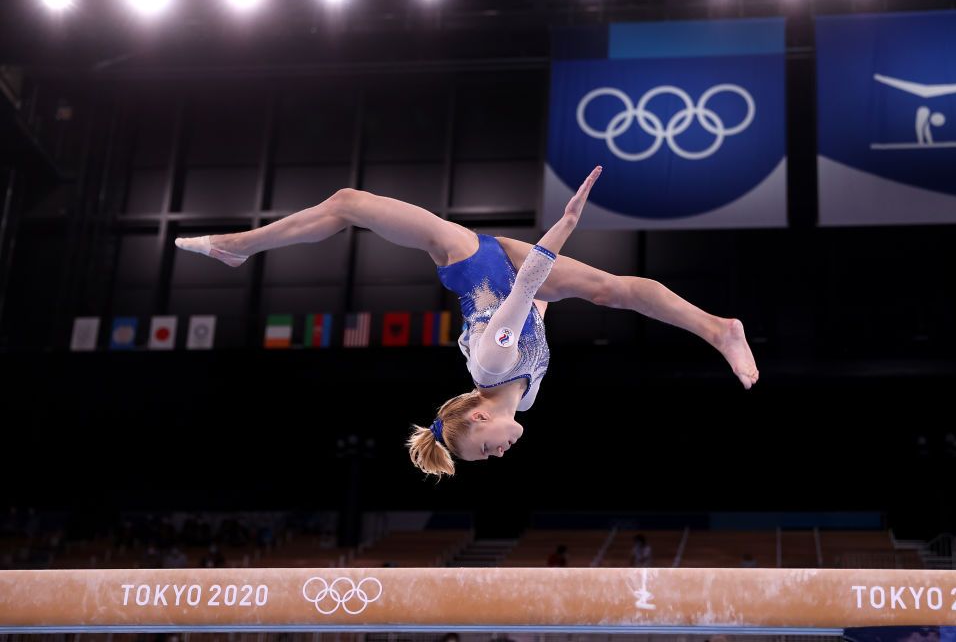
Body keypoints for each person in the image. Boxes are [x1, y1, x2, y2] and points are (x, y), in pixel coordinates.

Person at [175, 166, 759, 477]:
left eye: (483, 451)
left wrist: (567, 223)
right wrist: (550, 299)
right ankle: (719, 329)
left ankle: (240, 246)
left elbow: (527, 286)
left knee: (349, 201)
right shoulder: (524, 400)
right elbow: (535, 314)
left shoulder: (490, 364)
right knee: (615, 290)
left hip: (475, 263)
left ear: (477, 415)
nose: (498, 455)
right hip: (512, 279)